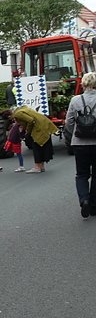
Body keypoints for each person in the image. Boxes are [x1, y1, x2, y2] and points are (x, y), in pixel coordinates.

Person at [64, 72, 96, 217]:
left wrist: (75, 133)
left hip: (79, 143)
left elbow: (68, 122)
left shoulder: (75, 100)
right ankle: (94, 205)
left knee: (82, 174)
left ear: (83, 84)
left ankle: (84, 200)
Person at [13, 105, 58, 173]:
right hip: (45, 124)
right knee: (41, 145)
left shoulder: (18, 114)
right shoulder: (25, 109)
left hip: (39, 127)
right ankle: (41, 166)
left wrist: (28, 132)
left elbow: (31, 120)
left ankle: (37, 167)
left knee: (36, 146)